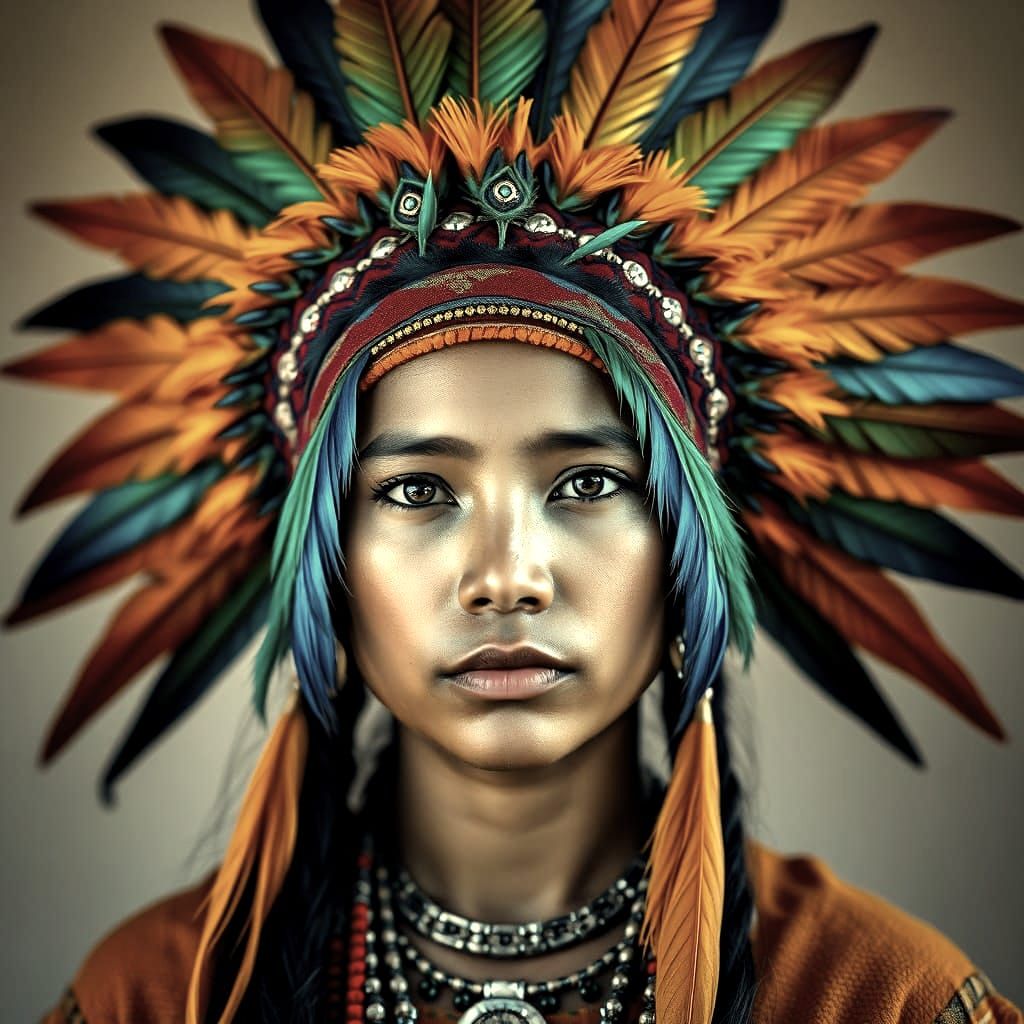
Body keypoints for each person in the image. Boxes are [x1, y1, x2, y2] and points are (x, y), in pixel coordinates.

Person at [7, 1, 1021, 1021]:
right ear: (330, 569)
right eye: (416, 490)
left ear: (685, 552)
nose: (507, 574)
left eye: (586, 482)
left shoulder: (876, 997)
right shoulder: (158, 995)